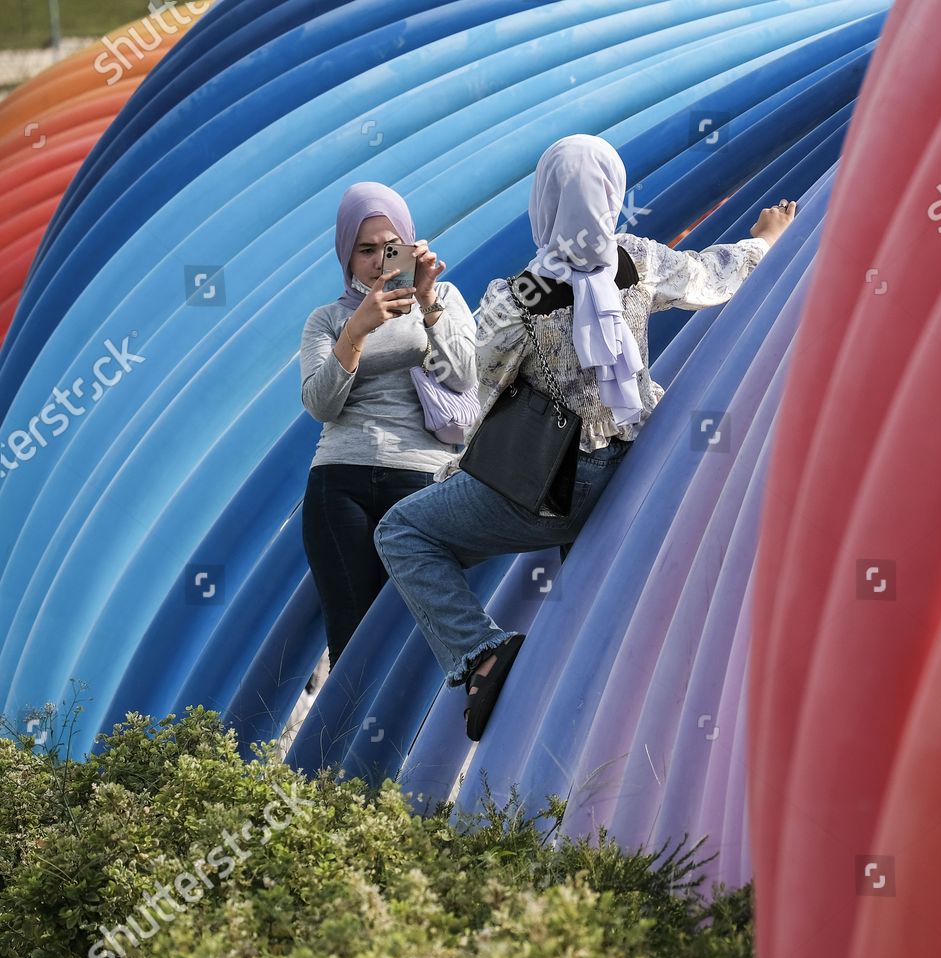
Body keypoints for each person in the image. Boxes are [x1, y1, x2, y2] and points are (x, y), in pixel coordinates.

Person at [374, 134, 796, 741]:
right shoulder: (639, 261)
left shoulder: (522, 294)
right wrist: (765, 242)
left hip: (546, 492)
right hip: (639, 471)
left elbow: (462, 376)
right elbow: (711, 277)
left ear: (543, 203)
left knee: (405, 531)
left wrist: (430, 309)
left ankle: (482, 655)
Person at [299, 182, 478, 692]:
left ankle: (415, 764)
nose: (379, 260)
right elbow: (320, 404)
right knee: (351, 640)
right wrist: (355, 331)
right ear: (346, 254)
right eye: (365, 249)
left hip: (421, 481)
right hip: (340, 483)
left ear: (412, 245)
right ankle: (343, 767)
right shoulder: (329, 319)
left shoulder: (443, 297)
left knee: (419, 639)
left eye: (390, 246)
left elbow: (464, 375)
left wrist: (426, 303)